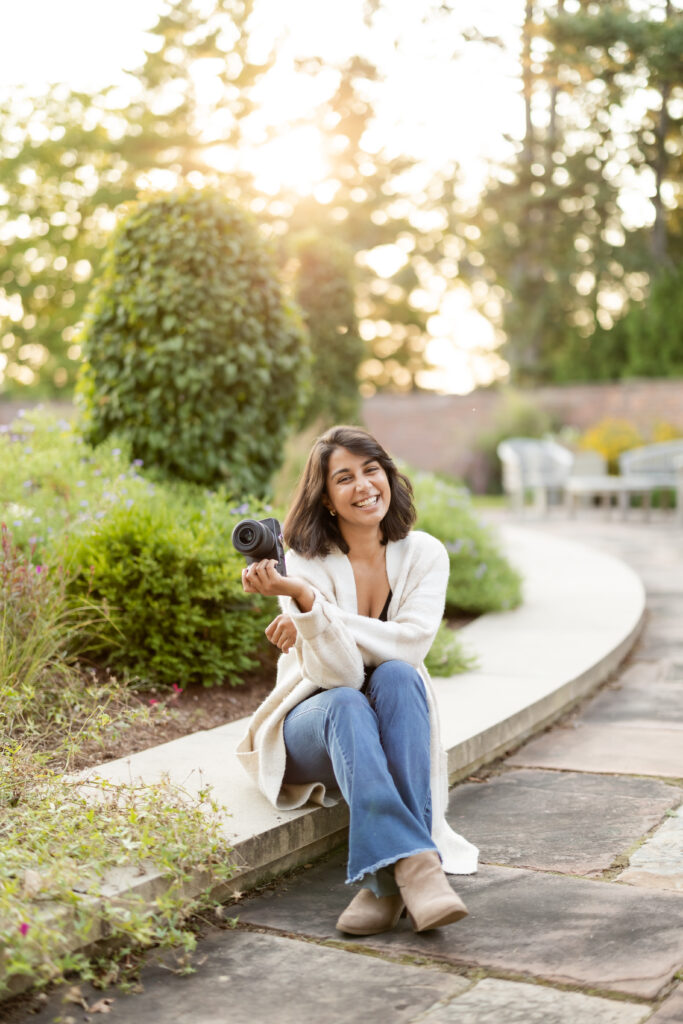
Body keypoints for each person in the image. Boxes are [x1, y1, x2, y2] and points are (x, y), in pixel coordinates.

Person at [236, 425, 478, 935]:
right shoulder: (300, 562)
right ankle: (417, 868)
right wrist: (301, 596)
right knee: (348, 700)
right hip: (313, 722)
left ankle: (385, 885)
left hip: (392, 708)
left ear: (388, 475)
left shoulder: (425, 554)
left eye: (371, 469)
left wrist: (317, 613)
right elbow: (338, 674)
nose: (363, 485)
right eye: (343, 477)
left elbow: (411, 645)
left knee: (396, 675)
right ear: (325, 497)